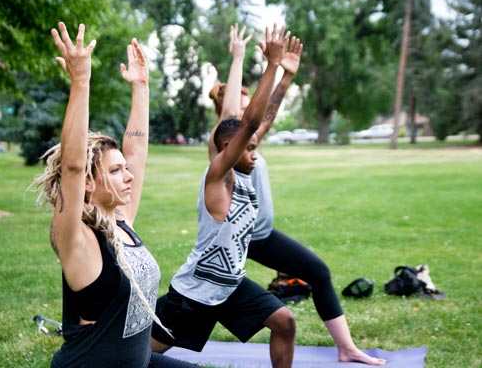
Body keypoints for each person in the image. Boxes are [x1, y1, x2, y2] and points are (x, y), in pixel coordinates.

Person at [207, 23, 386, 366]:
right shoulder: (223, 143)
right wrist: (241, 57)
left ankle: (347, 348)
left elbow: (265, 116)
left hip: (259, 235)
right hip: (234, 242)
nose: (251, 109)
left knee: (317, 272)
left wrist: (286, 76)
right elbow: (245, 117)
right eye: (246, 102)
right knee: (199, 301)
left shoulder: (249, 141)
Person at [33, 22, 198, 368]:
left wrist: (141, 87)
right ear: (89, 185)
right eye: (115, 170)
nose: (129, 176)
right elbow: (75, 166)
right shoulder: (75, 238)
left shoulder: (120, 220)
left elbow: (135, 150)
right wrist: (80, 83)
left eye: (124, 169)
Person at [152, 24, 297, 368]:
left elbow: (263, 121)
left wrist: (287, 77)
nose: (255, 155)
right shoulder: (220, 175)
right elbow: (248, 124)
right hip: (194, 291)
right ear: (229, 149)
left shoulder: (246, 168)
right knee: (140, 353)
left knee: (285, 322)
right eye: (247, 149)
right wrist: (271, 66)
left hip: (230, 286)